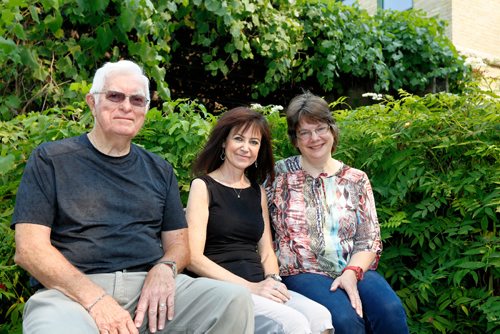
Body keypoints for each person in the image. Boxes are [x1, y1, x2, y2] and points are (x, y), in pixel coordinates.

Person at [11, 60, 255, 334]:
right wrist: (95, 299)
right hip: (70, 293)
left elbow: (179, 244)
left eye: (137, 100)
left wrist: (166, 267)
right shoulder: (51, 160)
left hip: (150, 290)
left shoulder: (159, 169)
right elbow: (30, 249)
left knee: (233, 301)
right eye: (115, 96)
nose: (127, 107)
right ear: (92, 102)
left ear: (145, 110)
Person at [264, 92, 409, 334]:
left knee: (390, 309)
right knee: (343, 320)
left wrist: (352, 273)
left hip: (351, 266)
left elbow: (369, 239)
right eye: (304, 132)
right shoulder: (278, 176)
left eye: (320, 129)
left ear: (332, 130)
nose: (314, 138)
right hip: (301, 271)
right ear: (295, 139)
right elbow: (256, 226)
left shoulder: (356, 179)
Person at [185, 107, 334, 334]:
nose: (246, 148)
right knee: (295, 324)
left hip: (260, 285)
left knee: (320, 317)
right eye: (238, 139)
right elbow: (192, 258)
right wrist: (251, 287)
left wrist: (273, 281)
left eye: (254, 142)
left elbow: (266, 251)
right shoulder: (203, 186)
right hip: (224, 289)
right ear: (224, 142)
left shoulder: (257, 191)